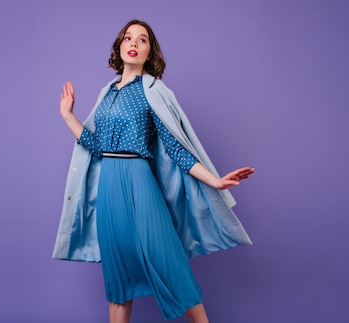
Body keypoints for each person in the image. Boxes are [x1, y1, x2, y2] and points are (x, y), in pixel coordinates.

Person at [52, 19, 255, 323]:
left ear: (150, 52)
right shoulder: (106, 94)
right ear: (119, 48)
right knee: (118, 279)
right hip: (109, 187)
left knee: (168, 264)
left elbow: (176, 148)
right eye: (128, 38)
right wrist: (69, 117)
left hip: (139, 181)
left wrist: (215, 180)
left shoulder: (154, 92)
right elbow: (97, 146)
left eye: (142, 40)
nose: (134, 43)